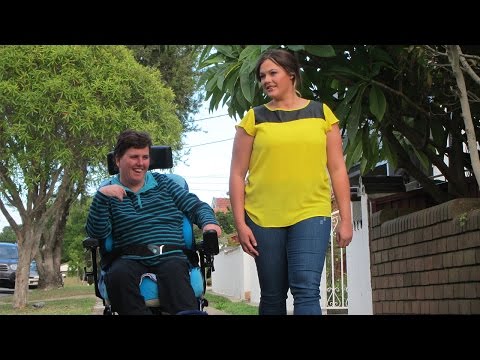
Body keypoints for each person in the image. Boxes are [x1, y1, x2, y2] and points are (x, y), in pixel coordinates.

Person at [229, 48, 353, 315]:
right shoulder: (254, 118)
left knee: (307, 291)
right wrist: (240, 224)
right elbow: (237, 174)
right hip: (262, 218)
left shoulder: (322, 114)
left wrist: (345, 218)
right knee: (273, 296)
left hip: (311, 213)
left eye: (273, 73)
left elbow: (338, 169)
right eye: (262, 76)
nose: (266, 80)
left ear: (292, 75)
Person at [86, 130, 222, 315]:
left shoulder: (166, 184)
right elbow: (97, 233)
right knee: (118, 276)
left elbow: (196, 206)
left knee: (175, 272)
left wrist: (209, 224)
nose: (141, 163)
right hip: (127, 257)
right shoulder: (107, 192)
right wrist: (101, 198)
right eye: (134, 157)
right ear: (118, 160)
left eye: (145, 157)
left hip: (170, 254)